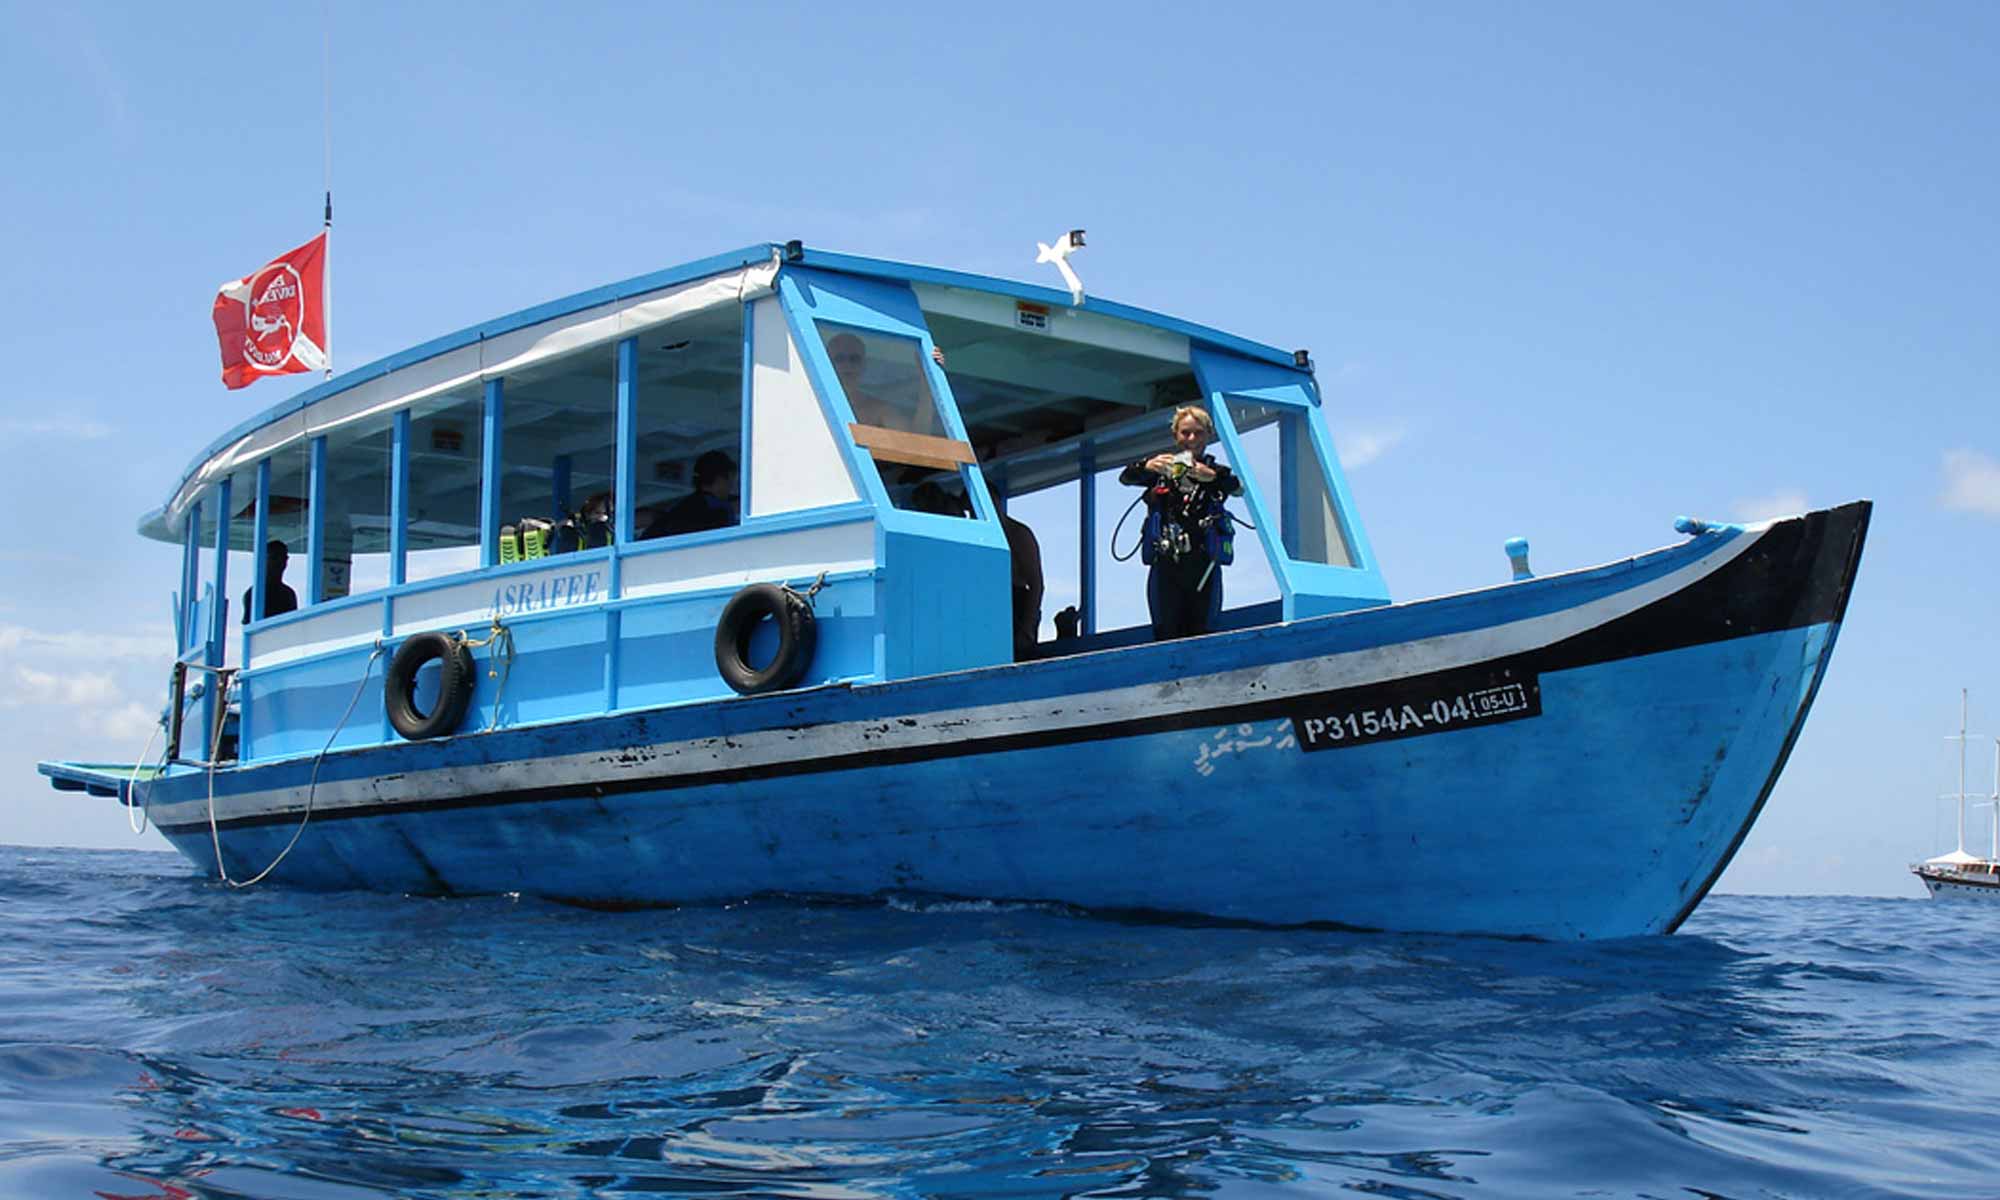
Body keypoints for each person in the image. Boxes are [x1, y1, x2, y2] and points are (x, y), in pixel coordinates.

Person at [1119, 405, 1241, 641]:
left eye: (1198, 433)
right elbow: (1126, 478)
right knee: (1165, 632)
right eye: (1185, 433)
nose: (1191, 439)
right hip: (1166, 564)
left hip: (1204, 565)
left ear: (1208, 435)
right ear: (1175, 435)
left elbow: (1237, 488)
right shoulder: (1162, 467)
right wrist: (1145, 465)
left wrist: (1211, 477)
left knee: (1204, 632)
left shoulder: (1216, 472)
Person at [828, 332, 942, 435]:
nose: (847, 365)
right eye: (839, 359)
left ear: (864, 365)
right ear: (828, 362)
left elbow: (918, 439)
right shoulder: (813, 399)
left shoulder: (876, 409)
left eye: (854, 359)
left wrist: (929, 374)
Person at [644, 450, 739, 537]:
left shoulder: (680, 509)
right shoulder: (719, 511)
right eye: (730, 481)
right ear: (720, 479)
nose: (731, 487)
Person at [241, 540, 298, 624]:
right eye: (274, 557)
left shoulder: (288, 594)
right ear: (264, 560)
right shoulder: (254, 594)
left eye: (283, 558)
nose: (279, 562)